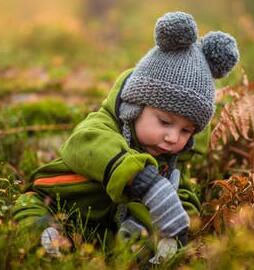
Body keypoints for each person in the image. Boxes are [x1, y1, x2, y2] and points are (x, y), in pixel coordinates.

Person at [12, 11, 239, 261]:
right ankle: (46, 238)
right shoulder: (103, 125)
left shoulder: (170, 160)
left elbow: (183, 193)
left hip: (100, 230)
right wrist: (142, 178)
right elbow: (84, 143)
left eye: (186, 130)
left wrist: (180, 225)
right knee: (31, 212)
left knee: (149, 235)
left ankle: (134, 251)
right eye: (164, 122)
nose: (173, 137)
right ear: (135, 107)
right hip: (54, 200)